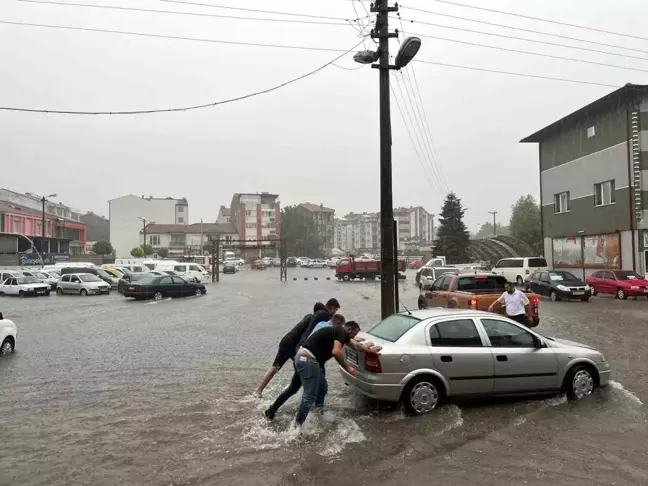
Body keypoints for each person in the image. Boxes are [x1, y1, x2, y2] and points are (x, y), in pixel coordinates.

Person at [294, 321, 371, 425]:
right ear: (349, 329)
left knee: (322, 388)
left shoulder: (340, 334)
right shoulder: (341, 332)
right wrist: (348, 368)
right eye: (354, 334)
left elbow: (356, 346)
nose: (354, 336)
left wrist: (370, 350)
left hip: (309, 360)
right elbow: (336, 352)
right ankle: (297, 426)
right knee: (309, 396)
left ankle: (319, 414)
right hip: (306, 360)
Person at [255, 302, 326, 397]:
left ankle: (258, 391)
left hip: (285, 342)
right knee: (302, 368)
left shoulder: (308, 316)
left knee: (274, 368)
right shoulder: (312, 321)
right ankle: (300, 392)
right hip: (292, 346)